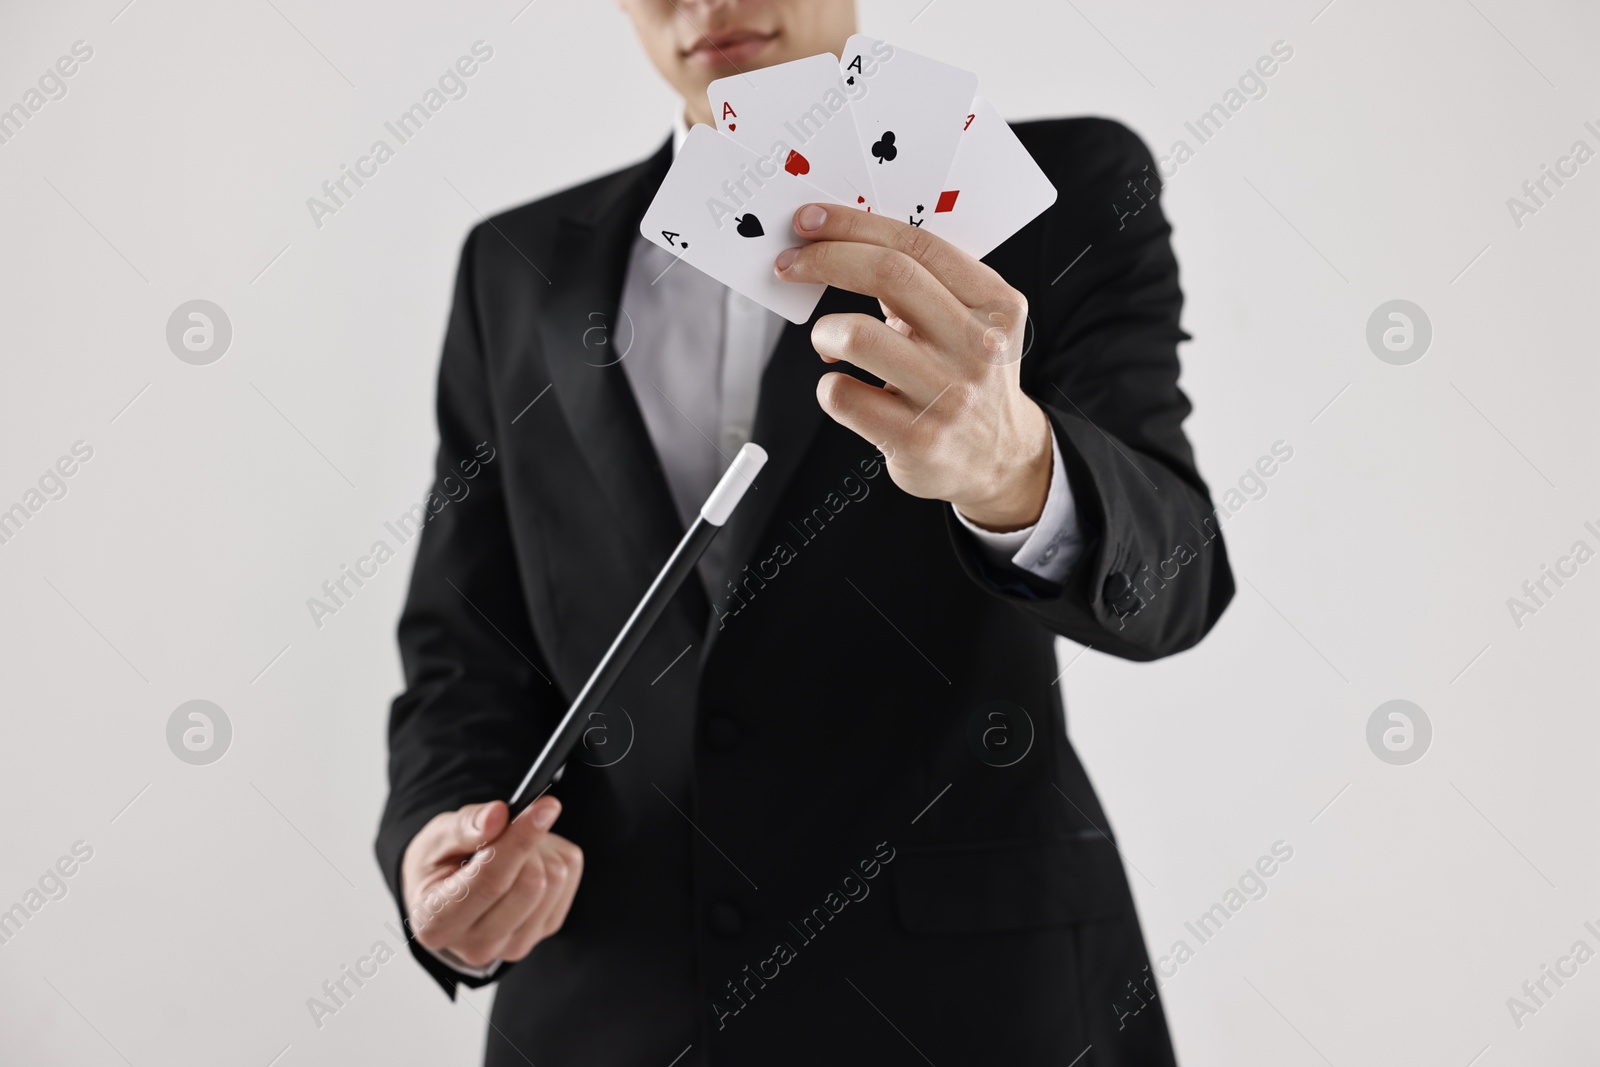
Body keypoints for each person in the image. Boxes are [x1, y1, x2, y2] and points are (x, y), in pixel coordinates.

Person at [376, 1, 1233, 1063]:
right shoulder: (513, 265)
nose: (706, 3)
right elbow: (468, 645)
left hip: (965, 1005)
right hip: (613, 1001)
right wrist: (437, 843)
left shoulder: (1059, 188)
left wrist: (1017, 467)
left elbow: (1177, 577)